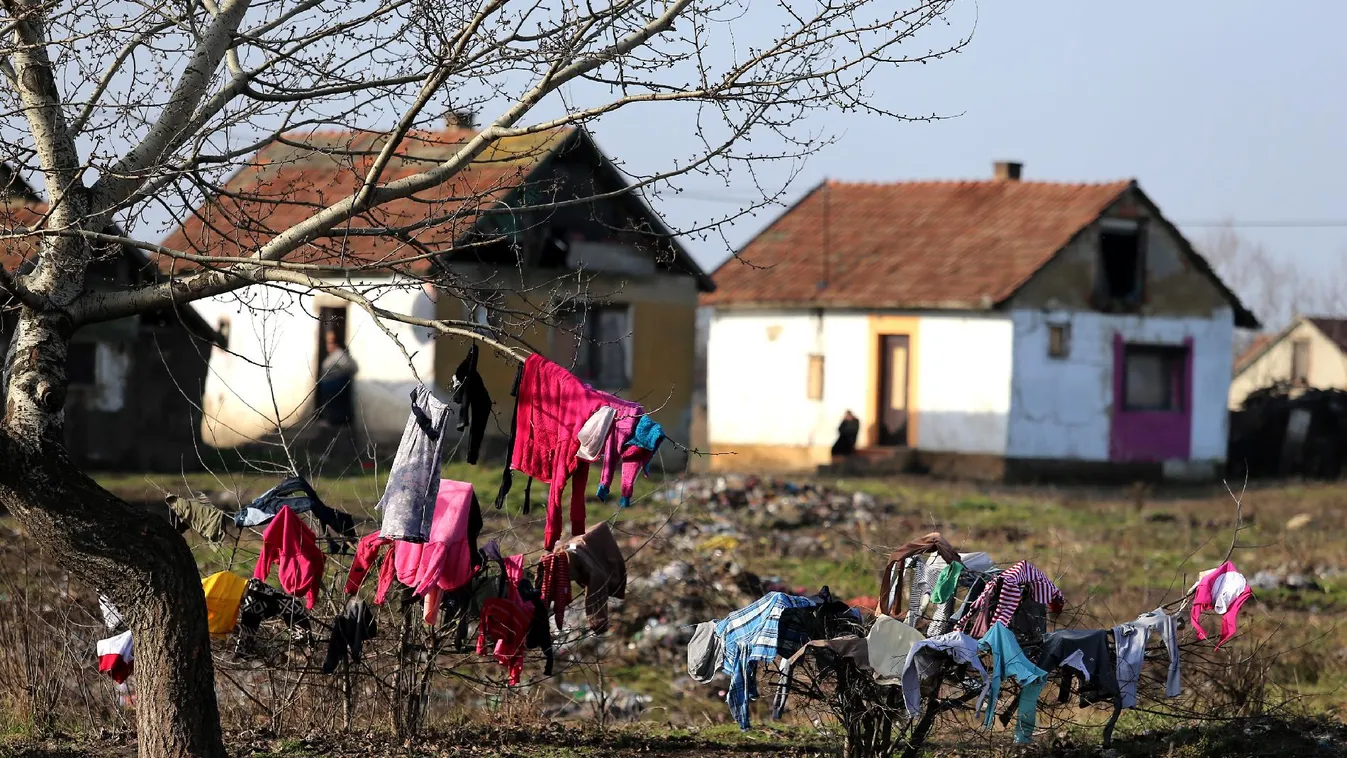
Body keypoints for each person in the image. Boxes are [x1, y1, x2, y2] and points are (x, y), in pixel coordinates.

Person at [317, 329, 358, 425]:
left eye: (332, 342)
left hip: (336, 388)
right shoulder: (333, 355)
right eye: (328, 342)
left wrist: (337, 376)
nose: (329, 345)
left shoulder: (339, 354)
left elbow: (350, 367)